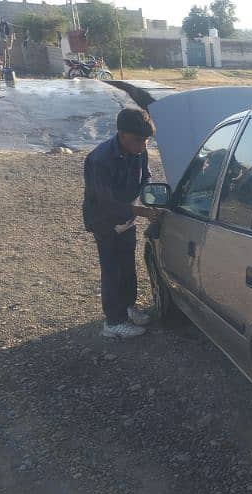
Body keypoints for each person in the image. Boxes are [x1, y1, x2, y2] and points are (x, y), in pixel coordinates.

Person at [83, 108, 157, 338]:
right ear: (121, 134)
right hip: (104, 221)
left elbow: (145, 177)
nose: (142, 145)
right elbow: (105, 201)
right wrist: (142, 211)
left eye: (146, 140)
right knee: (112, 271)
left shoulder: (139, 151)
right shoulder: (100, 158)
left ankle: (127, 307)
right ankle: (113, 322)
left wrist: (150, 196)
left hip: (127, 219)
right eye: (137, 140)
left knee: (127, 267)